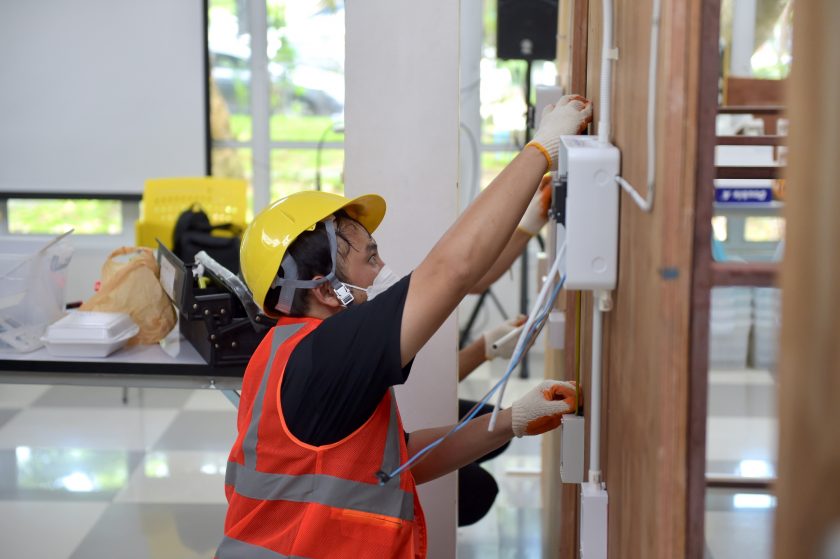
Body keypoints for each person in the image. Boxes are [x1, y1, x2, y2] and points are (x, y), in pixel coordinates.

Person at [216, 95, 593, 558]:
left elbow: (398, 460)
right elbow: (452, 270)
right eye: (371, 257)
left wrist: (510, 421)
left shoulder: (285, 351)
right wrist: (540, 151)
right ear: (327, 290)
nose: (383, 269)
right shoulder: (326, 355)